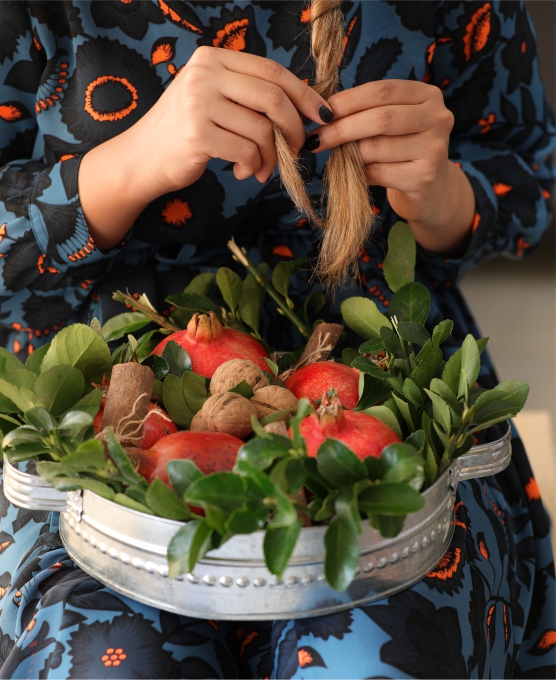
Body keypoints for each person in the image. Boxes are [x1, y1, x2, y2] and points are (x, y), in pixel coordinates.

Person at [0, 1, 554, 677]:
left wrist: (440, 194)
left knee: (376, 661)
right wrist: (128, 166)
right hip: (96, 406)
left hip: (380, 381)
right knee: (110, 661)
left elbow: (528, 177)